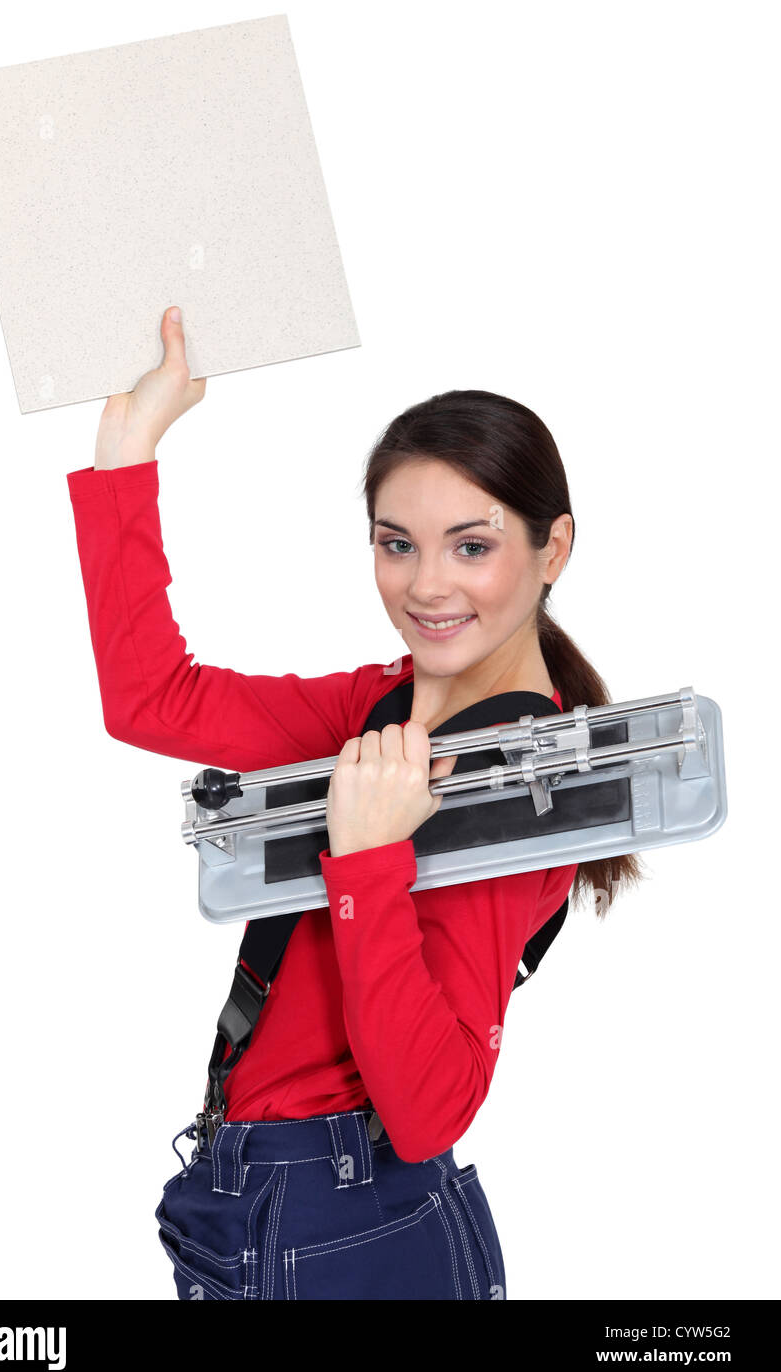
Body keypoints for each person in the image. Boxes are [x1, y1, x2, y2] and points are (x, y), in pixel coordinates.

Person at [66, 306, 642, 1300]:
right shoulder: (374, 706)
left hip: (350, 1227)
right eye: (395, 543)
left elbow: (429, 1114)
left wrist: (369, 861)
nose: (425, 586)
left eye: (471, 546)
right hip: (265, 1201)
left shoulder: (519, 785)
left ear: (552, 550)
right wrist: (126, 450)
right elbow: (149, 698)